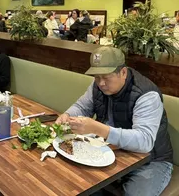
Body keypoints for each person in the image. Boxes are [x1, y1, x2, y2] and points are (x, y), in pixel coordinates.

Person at [56, 47, 173, 196]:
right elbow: (82, 107)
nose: (101, 83)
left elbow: (145, 141)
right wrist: (67, 115)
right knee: (77, 183)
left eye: (106, 77)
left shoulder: (146, 95)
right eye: (97, 77)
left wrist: (98, 129)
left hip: (152, 161)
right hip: (112, 152)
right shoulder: (97, 85)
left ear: (123, 72)